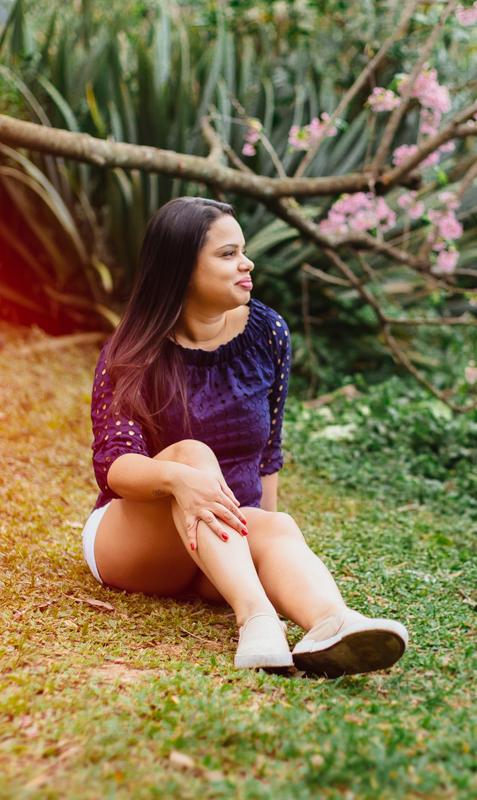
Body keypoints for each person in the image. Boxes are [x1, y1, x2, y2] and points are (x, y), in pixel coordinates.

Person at [78, 196, 408, 676]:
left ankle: (331, 623)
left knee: (278, 527)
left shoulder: (268, 333)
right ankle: (256, 619)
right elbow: (115, 467)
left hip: (220, 545)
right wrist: (178, 480)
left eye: (243, 251)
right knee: (193, 455)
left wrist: (264, 535)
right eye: (228, 254)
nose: (246, 263)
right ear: (181, 268)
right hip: (137, 545)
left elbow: (267, 452)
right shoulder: (133, 351)